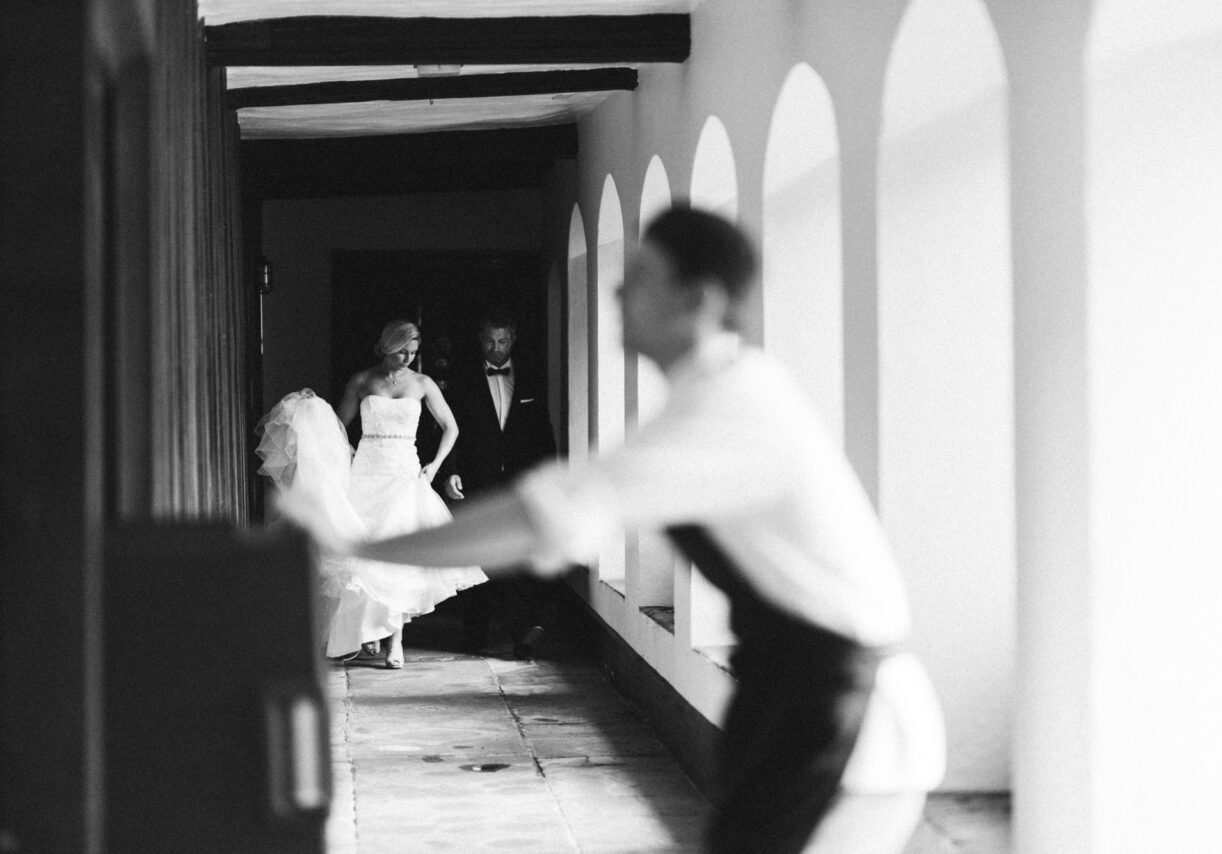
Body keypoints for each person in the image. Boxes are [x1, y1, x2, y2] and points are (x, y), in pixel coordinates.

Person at [310, 208, 946, 853]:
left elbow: (542, 516)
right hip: (792, 701)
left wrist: (357, 545)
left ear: (698, 299)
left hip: (846, 723)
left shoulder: (729, 407)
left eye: (640, 277)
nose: (616, 291)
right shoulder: (708, 396)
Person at [257, 320, 487, 669]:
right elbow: (338, 426)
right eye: (401, 351)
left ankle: (396, 639)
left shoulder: (422, 383)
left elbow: (451, 427)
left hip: (404, 473)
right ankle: (372, 632)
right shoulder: (362, 381)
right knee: (366, 554)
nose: (407, 358)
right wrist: (319, 425)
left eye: (413, 352)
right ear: (384, 347)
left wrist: (435, 465)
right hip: (366, 471)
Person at [441, 311, 559, 658]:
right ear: (481, 339)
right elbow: (448, 430)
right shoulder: (462, 379)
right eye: (490, 341)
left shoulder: (531, 378)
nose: (496, 348)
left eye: (502, 341)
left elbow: (543, 433)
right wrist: (450, 470)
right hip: (478, 478)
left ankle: (521, 638)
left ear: (514, 338)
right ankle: (474, 636)